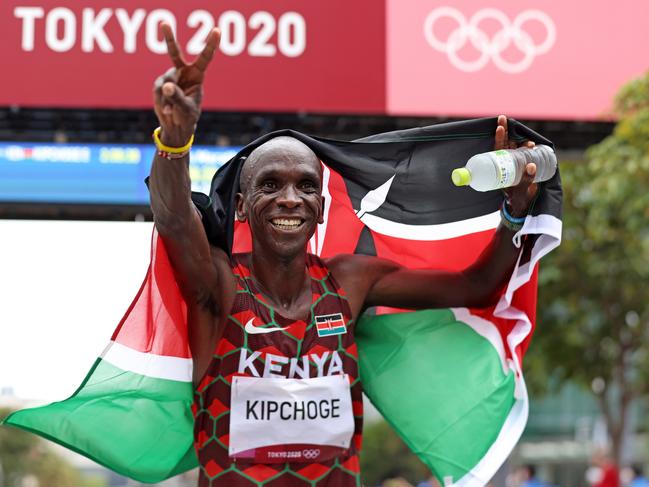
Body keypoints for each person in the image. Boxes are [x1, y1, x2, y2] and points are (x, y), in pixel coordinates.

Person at [149, 24, 539, 486]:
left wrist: (514, 212)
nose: (290, 199)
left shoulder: (350, 281)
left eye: (306, 187)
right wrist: (175, 142)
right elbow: (174, 219)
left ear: (320, 209)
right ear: (239, 205)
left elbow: (477, 287)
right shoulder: (219, 283)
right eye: (269, 184)